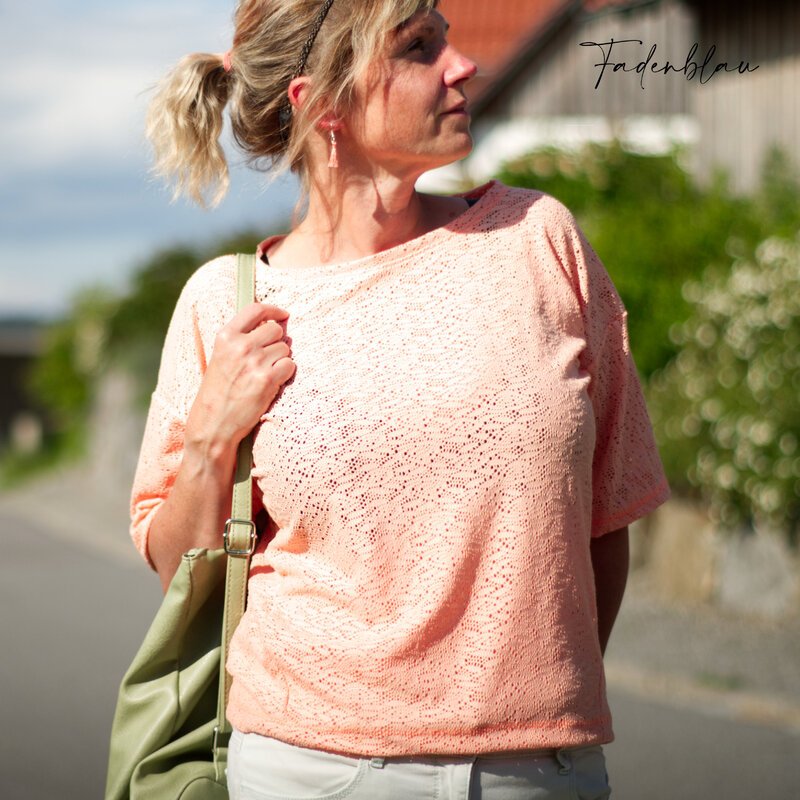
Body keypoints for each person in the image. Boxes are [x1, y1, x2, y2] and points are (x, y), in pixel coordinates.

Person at [132, 1, 670, 797]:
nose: (463, 65)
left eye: (445, 37)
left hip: (541, 767)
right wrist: (212, 439)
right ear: (323, 103)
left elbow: (607, 513)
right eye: (419, 47)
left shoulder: (538, 241)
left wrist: (531, 706)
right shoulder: (228, 304)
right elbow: (177, 566)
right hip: (307, 771)